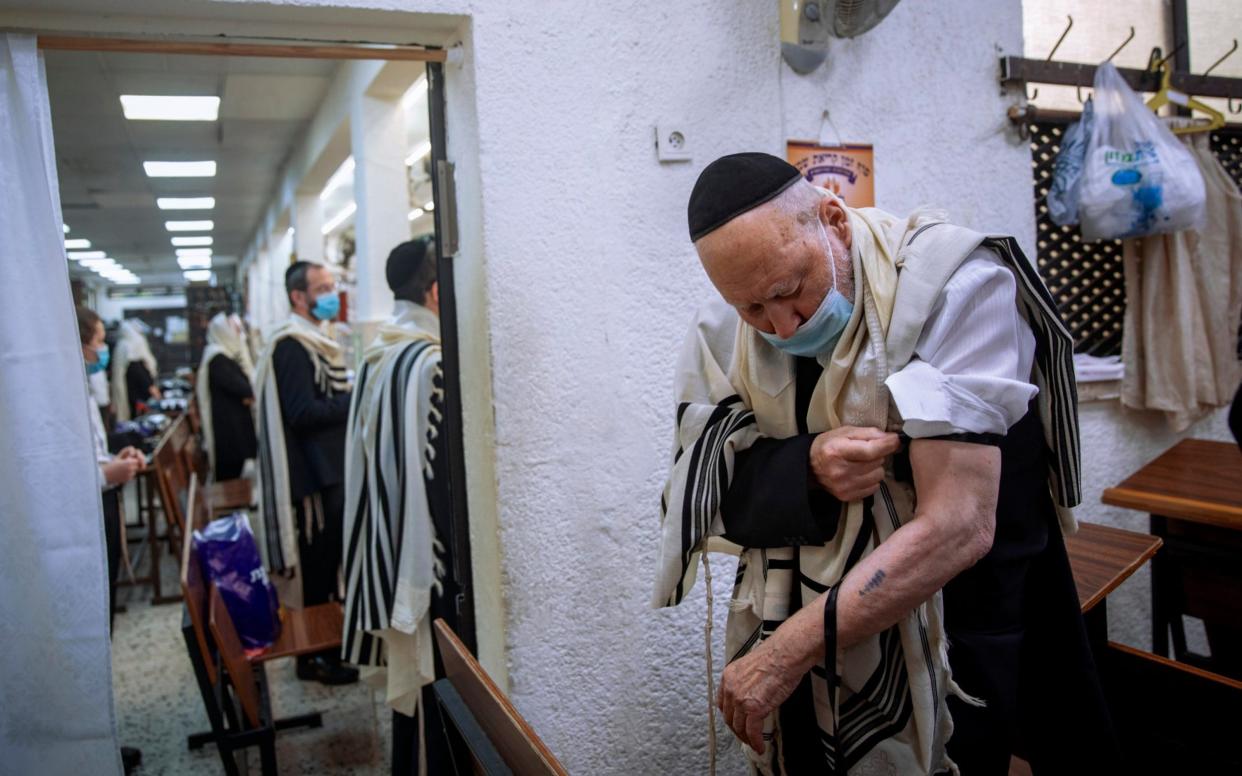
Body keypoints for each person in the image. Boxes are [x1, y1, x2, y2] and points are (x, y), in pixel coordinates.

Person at [653, 153, 1115, 774]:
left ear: (834, 220)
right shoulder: (727, 330)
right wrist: (808, 467)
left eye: (791, 291)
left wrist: (784, 653)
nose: (782, 325)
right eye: (753, 309)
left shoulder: (954, 283)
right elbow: (703, 485)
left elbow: (960, 525)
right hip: (799, 608)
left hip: (958, 618)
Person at [341, 237, 460, 775]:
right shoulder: (430, 363)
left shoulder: (378, 352)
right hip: (426, 561)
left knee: (413, 715)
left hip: (385, 549)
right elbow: (443, 484)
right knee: (437, 698)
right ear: (436, 292)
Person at [253, 261, 358, 685]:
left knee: (326, 566)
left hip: (326, 473)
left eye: (332, 285)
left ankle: (328, 648)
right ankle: (316, 658)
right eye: (322, 287)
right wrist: (352, 401)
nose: (331, 293)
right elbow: (301, 413)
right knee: (316, 573)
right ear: (299, 297)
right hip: (311, 481)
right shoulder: (292, 346)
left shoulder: (315, 340)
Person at [78, 305, 144, 774]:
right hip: (84, 513)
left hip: (100, 502)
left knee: (103, 628)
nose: (102, 349)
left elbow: (87, 450)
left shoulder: (78, 387)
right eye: (96, 340)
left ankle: (101, 733)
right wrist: (107, 474)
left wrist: (111, 459)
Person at [196, 312, 257, 481]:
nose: (237, 334)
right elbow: (242, 387)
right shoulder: (217, 358)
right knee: (230, 474)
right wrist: (248, 394)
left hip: (233, 427)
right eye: (233, 330)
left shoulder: (224, 354)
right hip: (228, 431)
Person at [111, 320, 161, 421]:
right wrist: (150, 386)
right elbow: (138, 370)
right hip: (137, 394)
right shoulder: (132, 344)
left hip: (130, 391)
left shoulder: (121, 345)